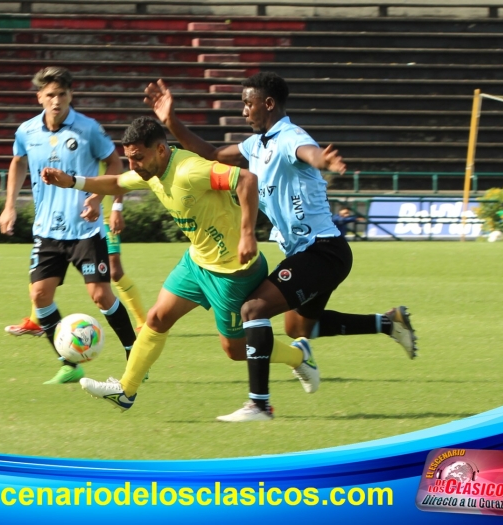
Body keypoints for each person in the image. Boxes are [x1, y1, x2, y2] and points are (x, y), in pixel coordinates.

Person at [143, 73, 418, 422]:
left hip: (322, 251)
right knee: (299, 329)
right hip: (311, 254)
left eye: (248, 103)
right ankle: (388, 323)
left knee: (252, 310)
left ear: (268, 104)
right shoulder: (258, 144)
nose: (244, 111)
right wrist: (170, 121)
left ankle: (260, 405)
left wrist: (323, 161)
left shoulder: (290, 137)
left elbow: (308, 152)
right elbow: (212, 153)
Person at [41, 116, 320, 412]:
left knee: (235, 350)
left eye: (137, 158)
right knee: (157, 318)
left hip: (232, 272)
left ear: (160, 150)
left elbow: (246, 179)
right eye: (129, 158)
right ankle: (126, 391)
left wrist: (248, 235)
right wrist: (72, 182)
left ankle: (299, 356)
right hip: (197, 263)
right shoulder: (151, 172)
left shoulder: (189, 170)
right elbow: (117, 182)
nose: (133, 165)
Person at [0, 66, 137, 384]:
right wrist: (9, 206)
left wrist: (98, 199)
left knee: (101, 295)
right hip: (47, 230)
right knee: (40, 296)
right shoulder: (27, 132)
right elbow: (18, 162)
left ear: (71, 95)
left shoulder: (88, 129)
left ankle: (135, 353)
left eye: (62, 94)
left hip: (85, 230)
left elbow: (114, 162)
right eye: (50, 95)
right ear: (40, 98)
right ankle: (69, 364)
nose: (56, 100)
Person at [4, 167, 147, 338]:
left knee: (114, 272)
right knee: (43, 277)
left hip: (103, 221)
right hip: (72, 223)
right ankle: (36, 321)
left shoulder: (97, 145)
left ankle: (142, 322)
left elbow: (117, 176)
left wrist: (117, 208)